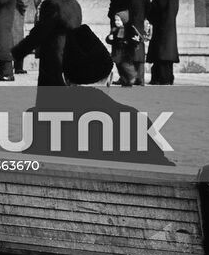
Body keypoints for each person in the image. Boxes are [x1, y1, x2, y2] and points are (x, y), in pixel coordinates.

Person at [27, 24, 173, 167]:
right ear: (110, 79)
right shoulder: (132, 121)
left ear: (66, 79)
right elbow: (164, 172)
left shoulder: (37, 120)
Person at [12, 0, 82, 86]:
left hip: (54, 54)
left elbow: (40, 32)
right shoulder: (74, 3)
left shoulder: (51, 3)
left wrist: (20, 51)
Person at [107, 0, 151, 87]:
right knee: (138, 48)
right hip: (138, 23)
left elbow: (115, 3)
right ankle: (140, 78)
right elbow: (148, 6)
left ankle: (127, 77)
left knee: (121, 50)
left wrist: (112, 17)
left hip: (123, 23)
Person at [147, 0, 179, 85]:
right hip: (169, 26)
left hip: (161, 27)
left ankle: (160, 78)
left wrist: (148, 15)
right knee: (166, 55)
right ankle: (167, 78)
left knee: (160, 54)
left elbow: (156, 8)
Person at [13, 0, 28, 74]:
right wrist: (23, 9)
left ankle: (8, 67)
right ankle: (18, 67)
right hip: (16, 14)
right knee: (18, 41)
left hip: (8, 16)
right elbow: (24, 2)